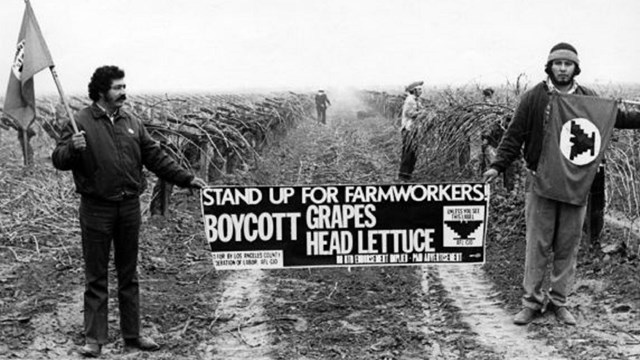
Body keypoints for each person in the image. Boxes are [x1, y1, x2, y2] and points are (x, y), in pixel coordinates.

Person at [51, 65, 207, 357]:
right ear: (101, 91)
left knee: (129, 274)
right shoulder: (79, 121)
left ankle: (132, 336)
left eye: (124, 87)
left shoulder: (131, 120)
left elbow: (154, 156)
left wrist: (186, 178)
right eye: (117, 88)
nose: (124, 92)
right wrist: (72, 147)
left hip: (129, 206)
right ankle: (94, 339)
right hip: (96, 208)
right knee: (96, 276)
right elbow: (58, 159)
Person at [482, 42, 640, 326]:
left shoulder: (587, 98)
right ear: (550, 66)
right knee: (537, 245)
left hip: (576, 184)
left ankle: (559, 302)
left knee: (568, 245)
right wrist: (497, 166)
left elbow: (615, 118)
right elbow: (514, 134)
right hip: (540, 181)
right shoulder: (534, 98)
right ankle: (531, 302)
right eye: (558, 64)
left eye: (568, 64)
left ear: (575, 68)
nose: (563, 69)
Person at [398, 80, 423, 181]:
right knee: (408, 152)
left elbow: (420, 109)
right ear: (414, 90)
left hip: (413, 129)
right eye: (419, 89)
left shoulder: (416, 100)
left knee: (413, 152)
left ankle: (408, 174)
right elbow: (410, 113)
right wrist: (422, 113)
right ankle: (403, 175)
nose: (421, 91)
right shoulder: (410, 100)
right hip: (408, 129)